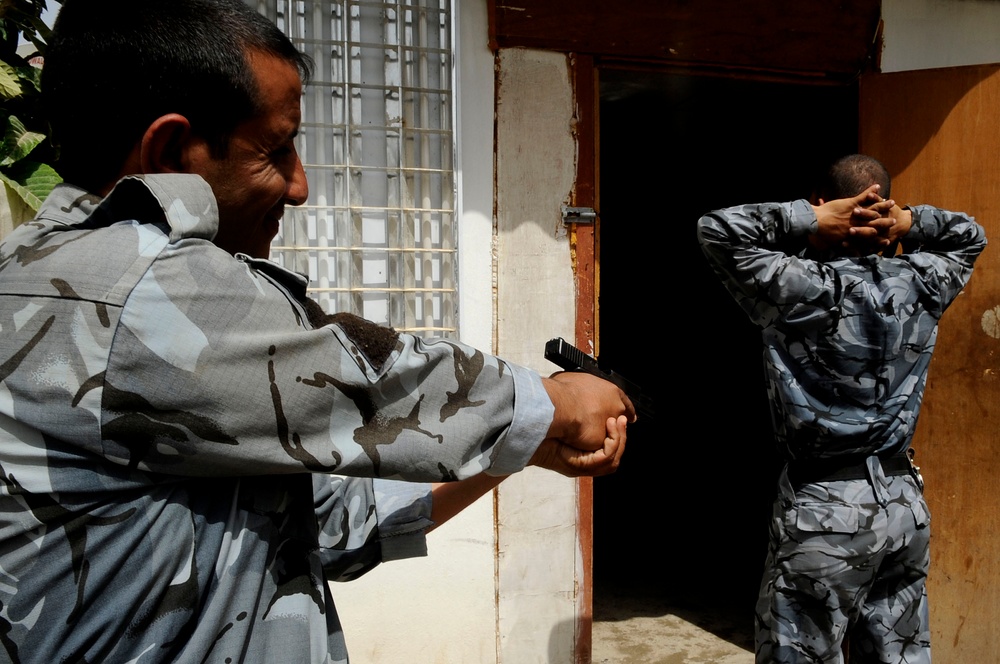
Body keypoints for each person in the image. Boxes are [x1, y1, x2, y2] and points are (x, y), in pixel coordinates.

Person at [0, 1, 634, 662]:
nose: (299, 185)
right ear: (168, 151)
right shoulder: (135, 293)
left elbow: (333, 524)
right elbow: (379, 379)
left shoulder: (39, 276)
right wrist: (559, 403)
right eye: (273, 150)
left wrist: (521, 442)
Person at [697, 154, 986, 664]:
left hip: (824, 509)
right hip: (902, 506)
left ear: (824, 205)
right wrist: (908, 221)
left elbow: (718, 229)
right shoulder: (921, 283)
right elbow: (969, 234)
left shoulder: (802, 287)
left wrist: (809, 220)